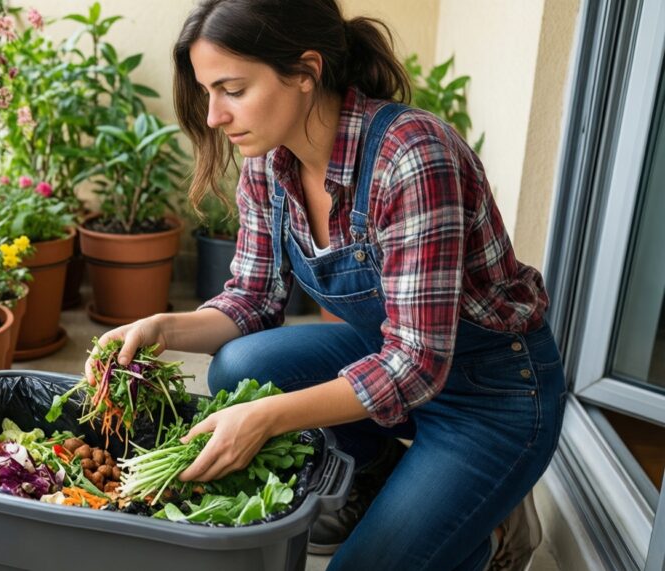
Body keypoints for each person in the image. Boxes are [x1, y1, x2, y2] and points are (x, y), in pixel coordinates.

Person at [86, 0, 567, 569]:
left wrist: (266, 418)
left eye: (232, 89)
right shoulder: (269, 164)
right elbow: (252, 300)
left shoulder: (410, 157)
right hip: (388, 359)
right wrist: (160, 327)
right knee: (239, 367)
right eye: (207, 91)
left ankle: (478, 529)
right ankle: (382, 470)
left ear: (306, 72)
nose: (213, 115)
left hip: (492, 394)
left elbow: (416, 363)